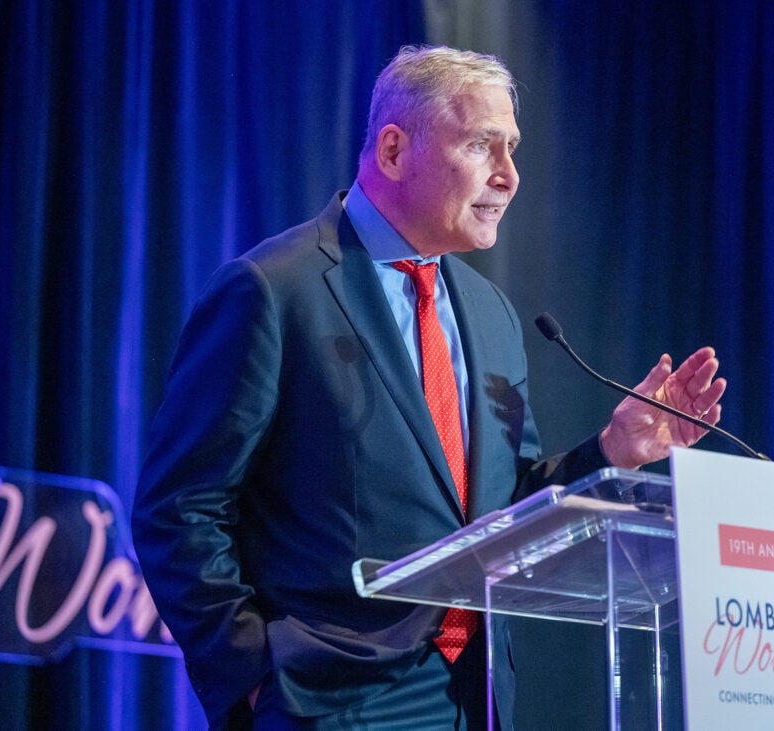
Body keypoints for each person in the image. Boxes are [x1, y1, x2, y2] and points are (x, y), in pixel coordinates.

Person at [131, 45, 725, 730]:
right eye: (480, 145)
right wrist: (256, 674)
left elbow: (503, 515)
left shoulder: (491, 314)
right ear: (393, 151)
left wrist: (613, 451)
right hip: (327, 699)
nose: (508, 176)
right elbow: (180, 508)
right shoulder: (274, 290)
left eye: (512, 149)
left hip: (475, 696)